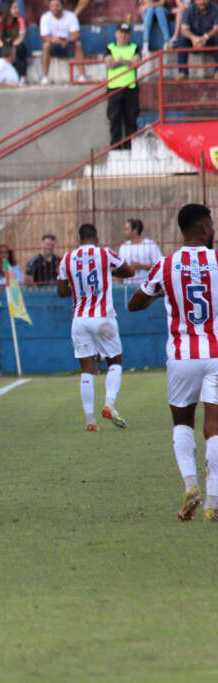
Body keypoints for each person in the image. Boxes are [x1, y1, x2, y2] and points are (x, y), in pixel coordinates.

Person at [129, 203, 218, 521]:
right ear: (204, 228)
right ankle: (213, 503)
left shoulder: (166, 265)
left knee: (182, 423)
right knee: (215, 429)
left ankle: (191, 485)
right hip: (215, 355)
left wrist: (160, 292)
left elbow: (134, 304)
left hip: (181, 356)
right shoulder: (217, 259)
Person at [57, 223, 135, 431]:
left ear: (79, 239)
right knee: (115, 361)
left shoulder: (66, 258)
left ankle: (90, 421)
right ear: (96, 237)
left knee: (86, 369)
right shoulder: (105, 253)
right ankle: (109, 403)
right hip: (103, 317)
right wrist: (108, 273)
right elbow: (129, 271)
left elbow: (62, 291)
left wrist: (78, 286)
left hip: (79, 319)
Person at [105, 23, 141, 150]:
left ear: (129, 34)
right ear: (116, 34)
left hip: (130, 88)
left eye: (126, 33)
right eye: (121, 32)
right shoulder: (109, 47)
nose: (123, 35)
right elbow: (109, 64)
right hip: (114, 88)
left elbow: (136, 63)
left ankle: (130, 149)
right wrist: (128, 62)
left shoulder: (135, 47)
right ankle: (116, 149)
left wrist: (119, 61)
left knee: (131, 121)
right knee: (115, 120)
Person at [39, 0, 87, 84]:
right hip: (53, 45)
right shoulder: (45, 17)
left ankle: (82, 76)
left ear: (62, 5)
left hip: (68, 44)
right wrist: (55, 40)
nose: (55, 8)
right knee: (46, 46)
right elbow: (45, 37)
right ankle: (45, 77)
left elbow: (76, 35)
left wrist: (68, 41)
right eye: (52, 6)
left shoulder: (71, 16)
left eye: (57, 5)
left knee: (78, 44)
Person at [176, 0, 218, 78]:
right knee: (182, 39)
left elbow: (216, 29)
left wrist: (205, 37)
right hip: (194, 39)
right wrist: (194, 38)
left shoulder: (215, 8)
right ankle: (183, 72)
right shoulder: (189, 9)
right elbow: (184, 30)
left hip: (209, 38)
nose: (202, 2)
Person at [0, 0, 28, 83]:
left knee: (21, 48)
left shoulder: (20, 19)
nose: (17, 10)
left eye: (17, 8)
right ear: (6, 9)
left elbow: (20, 38)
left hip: (14, 43)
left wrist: (11, 47)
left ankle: (22, 76)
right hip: (1, 44)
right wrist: (5, 47)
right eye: (14, 8)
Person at [118, 217, 164, 284]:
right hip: (128, 287)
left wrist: (141, 266)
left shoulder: (150, 245)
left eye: (127, 229)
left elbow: (159, 266)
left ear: (135, 230)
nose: (124, 232)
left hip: (146, 287)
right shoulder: (123, 247)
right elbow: (120, 270)